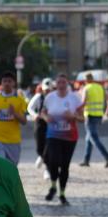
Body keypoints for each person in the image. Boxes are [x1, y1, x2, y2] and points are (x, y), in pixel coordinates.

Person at [42, 73, 83, 205]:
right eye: (59, 82)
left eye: (63, 82)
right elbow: (42, 112)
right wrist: (46, 118)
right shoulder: (49, 97)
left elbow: (83, 118)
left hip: (69, 137)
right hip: (53, 135)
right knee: (52, 162)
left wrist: (73, 116)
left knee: (65, 166)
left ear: (67, 84)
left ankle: (62, 194)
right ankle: (53, 185)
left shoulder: (74, 98)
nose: (61, 85)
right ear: (55, 84)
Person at [0, 71, 28, 165]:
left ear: (13, 83)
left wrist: (15, 113)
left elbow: (24, 121)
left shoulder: (20, 100)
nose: (7, 83)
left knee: (11, 167)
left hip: (13, 140)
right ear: (1, 83)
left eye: (9, 81)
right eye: (4, 81)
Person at [78, 72, 108, 168]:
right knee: (88, 138)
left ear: (86, 80)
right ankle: (86, 160)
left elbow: (83, 102)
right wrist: (107, 111)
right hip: (98, 115)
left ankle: (107, 157)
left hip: (89, 115)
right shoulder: (100, 87)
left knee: (93, 138)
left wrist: (76, 110)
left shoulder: (86, 88)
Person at [27, 78, 53, 172]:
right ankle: (41, 156)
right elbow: (30, 107)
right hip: (40, 123)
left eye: (49, 89)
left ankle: (48, 169)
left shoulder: (54, 97)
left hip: (50, 124)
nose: (47, 91)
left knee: (49, 146)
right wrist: (35, 115)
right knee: (39, 146)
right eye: (45, 89)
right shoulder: (38, 97)